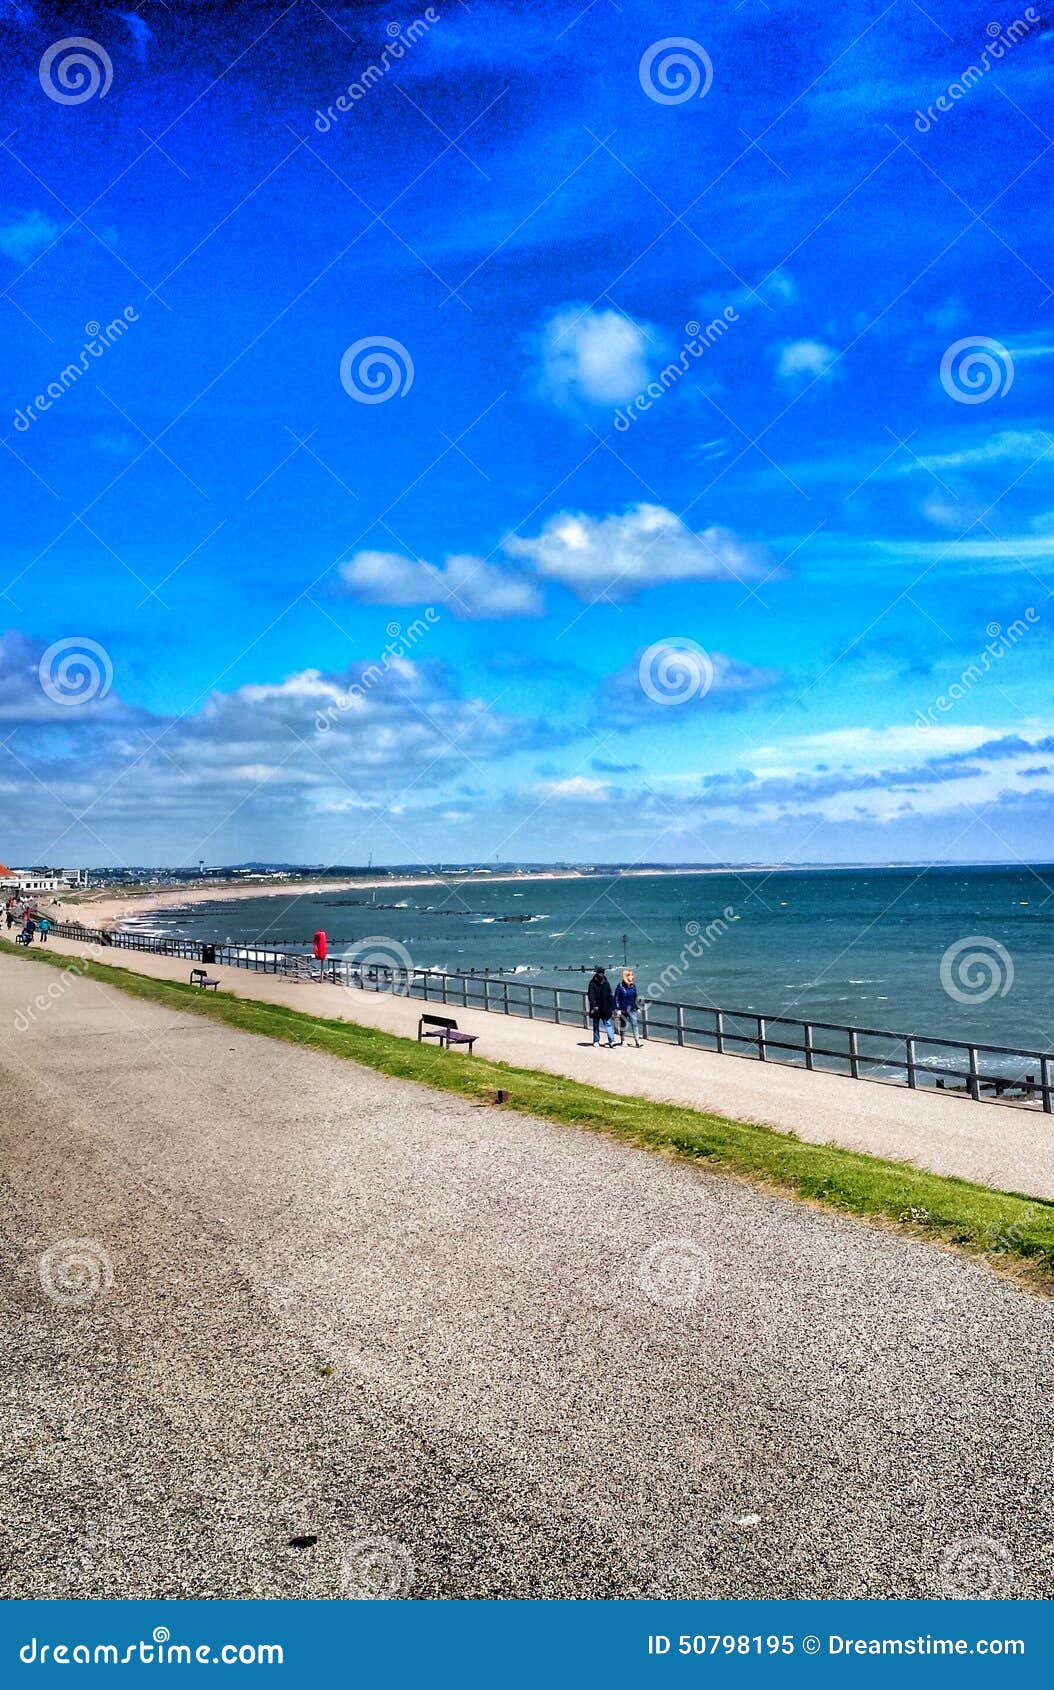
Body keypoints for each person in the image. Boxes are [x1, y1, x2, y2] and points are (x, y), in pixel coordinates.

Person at [587, 964, 616, 1048]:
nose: (601, 974)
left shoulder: (606, 983)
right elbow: (591, 995)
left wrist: (613, 1007)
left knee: (608, 1024)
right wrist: (594, 1005)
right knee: (596, 1024)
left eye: (602, 973)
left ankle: (611, 1040)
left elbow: (610, 995)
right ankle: (596, 1040)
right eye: (600, 973)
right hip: (596, 1008)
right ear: (597, 973)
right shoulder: (592, 983)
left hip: (605, 1007)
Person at [615, 968, 641, 1046]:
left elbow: (635, 997)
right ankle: (623, 1040)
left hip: (632, 1009)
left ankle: (637, 1041)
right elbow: (616, 998)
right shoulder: (620, 986)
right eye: (630, 975)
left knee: (635, 1024)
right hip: (623, 1009)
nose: (632, 977)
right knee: (624, 1025)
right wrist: (618, 1009)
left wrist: (637, 1007)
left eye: (632, 975)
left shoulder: (633, 986)